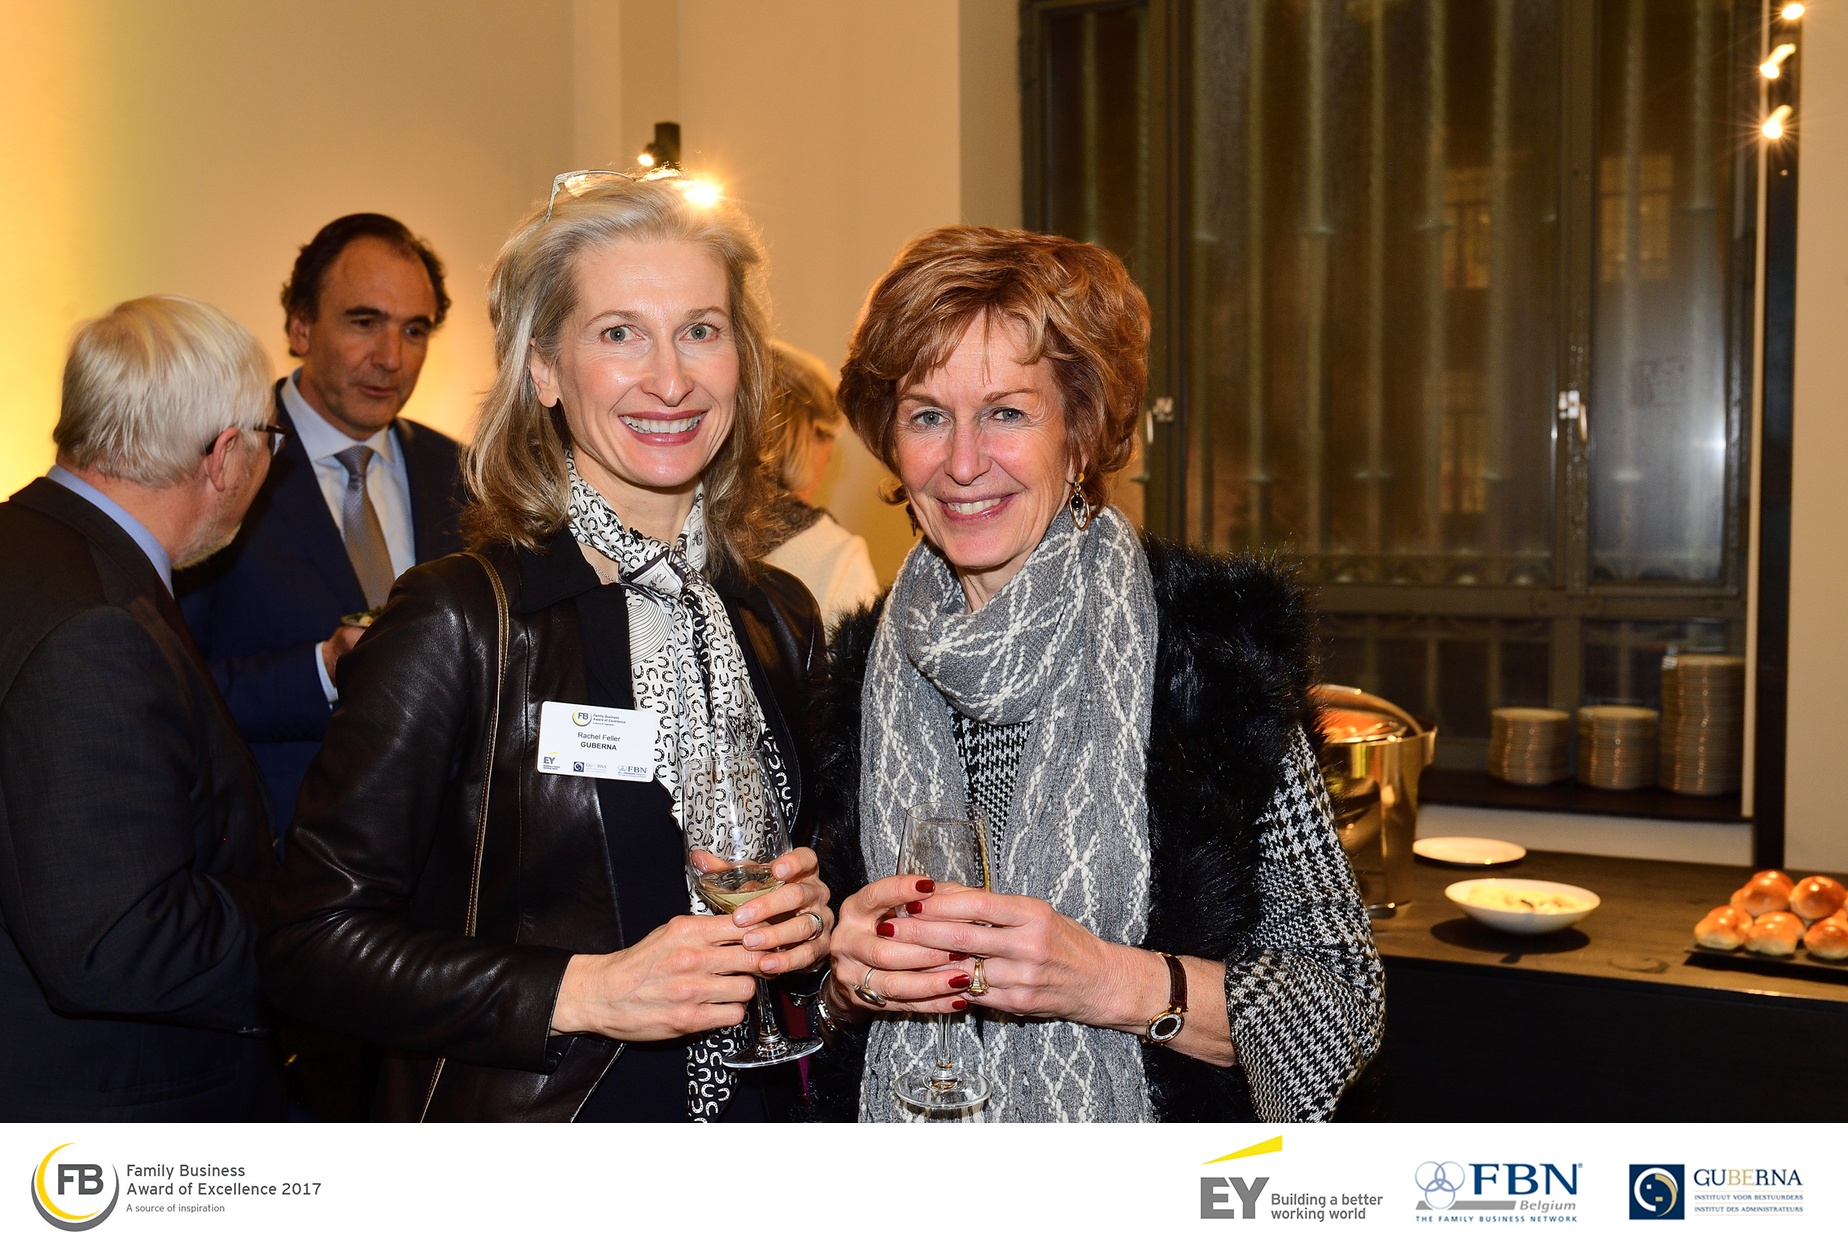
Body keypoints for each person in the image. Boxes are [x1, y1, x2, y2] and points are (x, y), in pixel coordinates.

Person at [259, 172, 835, 1122]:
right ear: (544, 370)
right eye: (619, 334)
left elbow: (806, 879)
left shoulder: (778, 618)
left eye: (701, 330)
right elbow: (309, 945)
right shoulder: (459, 620)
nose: (671, 379)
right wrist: (583, 991)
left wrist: (817, 919)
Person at [813, 226, 1384, 1123]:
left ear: (1080, 432)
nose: (962, 462)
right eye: (927, 415)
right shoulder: (847, 677)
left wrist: (1108, 981)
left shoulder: (1213, 656)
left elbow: (1341, 1008)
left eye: (1007, 413)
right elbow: (795, 1023)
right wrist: (843, 988)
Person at [0, 295, 285, 1120]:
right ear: (224, 455)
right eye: (269, 438)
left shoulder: (29, 547)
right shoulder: (97, 627)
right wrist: (317, 924)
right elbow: (120, 937)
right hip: (106, 1117)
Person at [178, 213, 467, 836]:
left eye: (414, 330)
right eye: (364, 322)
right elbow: (172, 692)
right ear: (300, 327)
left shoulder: (465, 475)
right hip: (273, 850)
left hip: (441, 853)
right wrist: (322, 670)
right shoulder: (218, 462)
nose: (390, 358)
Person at [758, 341, 879, 624]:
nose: (825, 467)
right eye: (828, 452)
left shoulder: (685, 530)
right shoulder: (835, 557)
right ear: (807, 435)